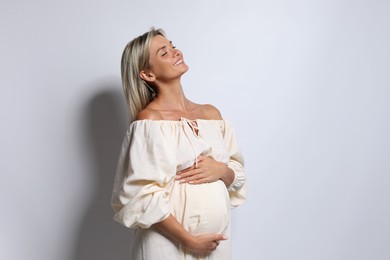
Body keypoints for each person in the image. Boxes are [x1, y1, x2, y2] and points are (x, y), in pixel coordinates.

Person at [111, 27, 246, 260]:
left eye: (172, 46)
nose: (175, 52)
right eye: (164, 53)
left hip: (215, 243)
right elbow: (140, 195)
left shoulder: (212, 115)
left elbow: (238, 174)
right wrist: (190, 241)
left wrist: (222, 170)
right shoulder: (150, 122)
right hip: (167, 246)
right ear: (148, 75)